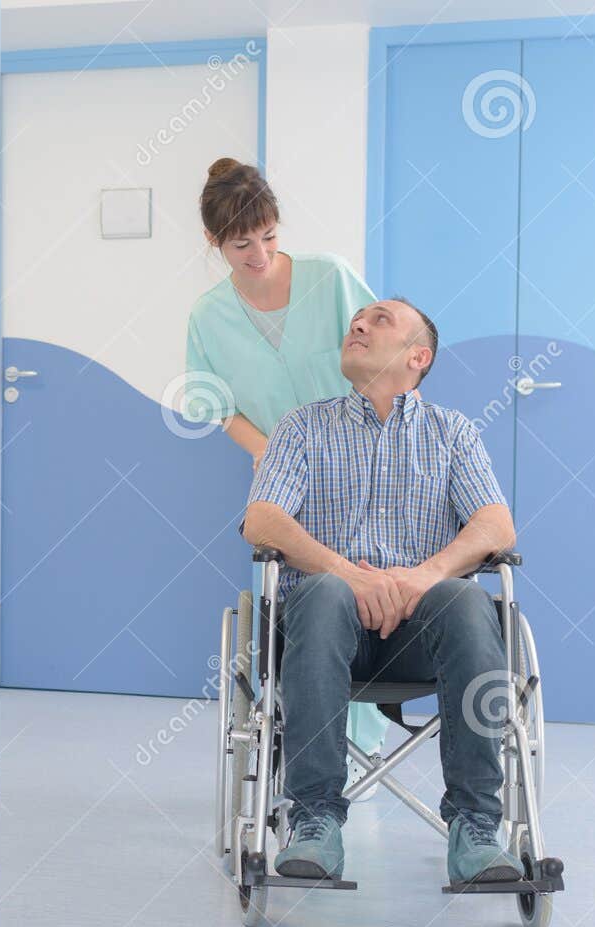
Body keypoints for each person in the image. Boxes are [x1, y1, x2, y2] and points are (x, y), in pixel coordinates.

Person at [241, 297, 525, 885]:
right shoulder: (302, 427)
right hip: (326, 628)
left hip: (425, 631)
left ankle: (475, 827)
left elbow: (496, 527)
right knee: (321, 593)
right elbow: (262, 521)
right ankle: (315, 820)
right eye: (356, 319)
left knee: (470, 598)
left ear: (417, 356)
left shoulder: (452, 432)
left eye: (381, 320)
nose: (359, 324)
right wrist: (355, 577)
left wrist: (420, 577)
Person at [185, 157, 388, 787]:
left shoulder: (330, 278)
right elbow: (214, 403)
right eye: (242, 244)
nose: (260, 254)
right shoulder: (208, 315)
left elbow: (377, 355)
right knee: (300, 605)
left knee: (364, 590)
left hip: (360, 465)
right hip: (281, 478)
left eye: (269, 236)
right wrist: (272, 452)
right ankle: (307, 747)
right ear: (214, 242)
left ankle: (364, 750)